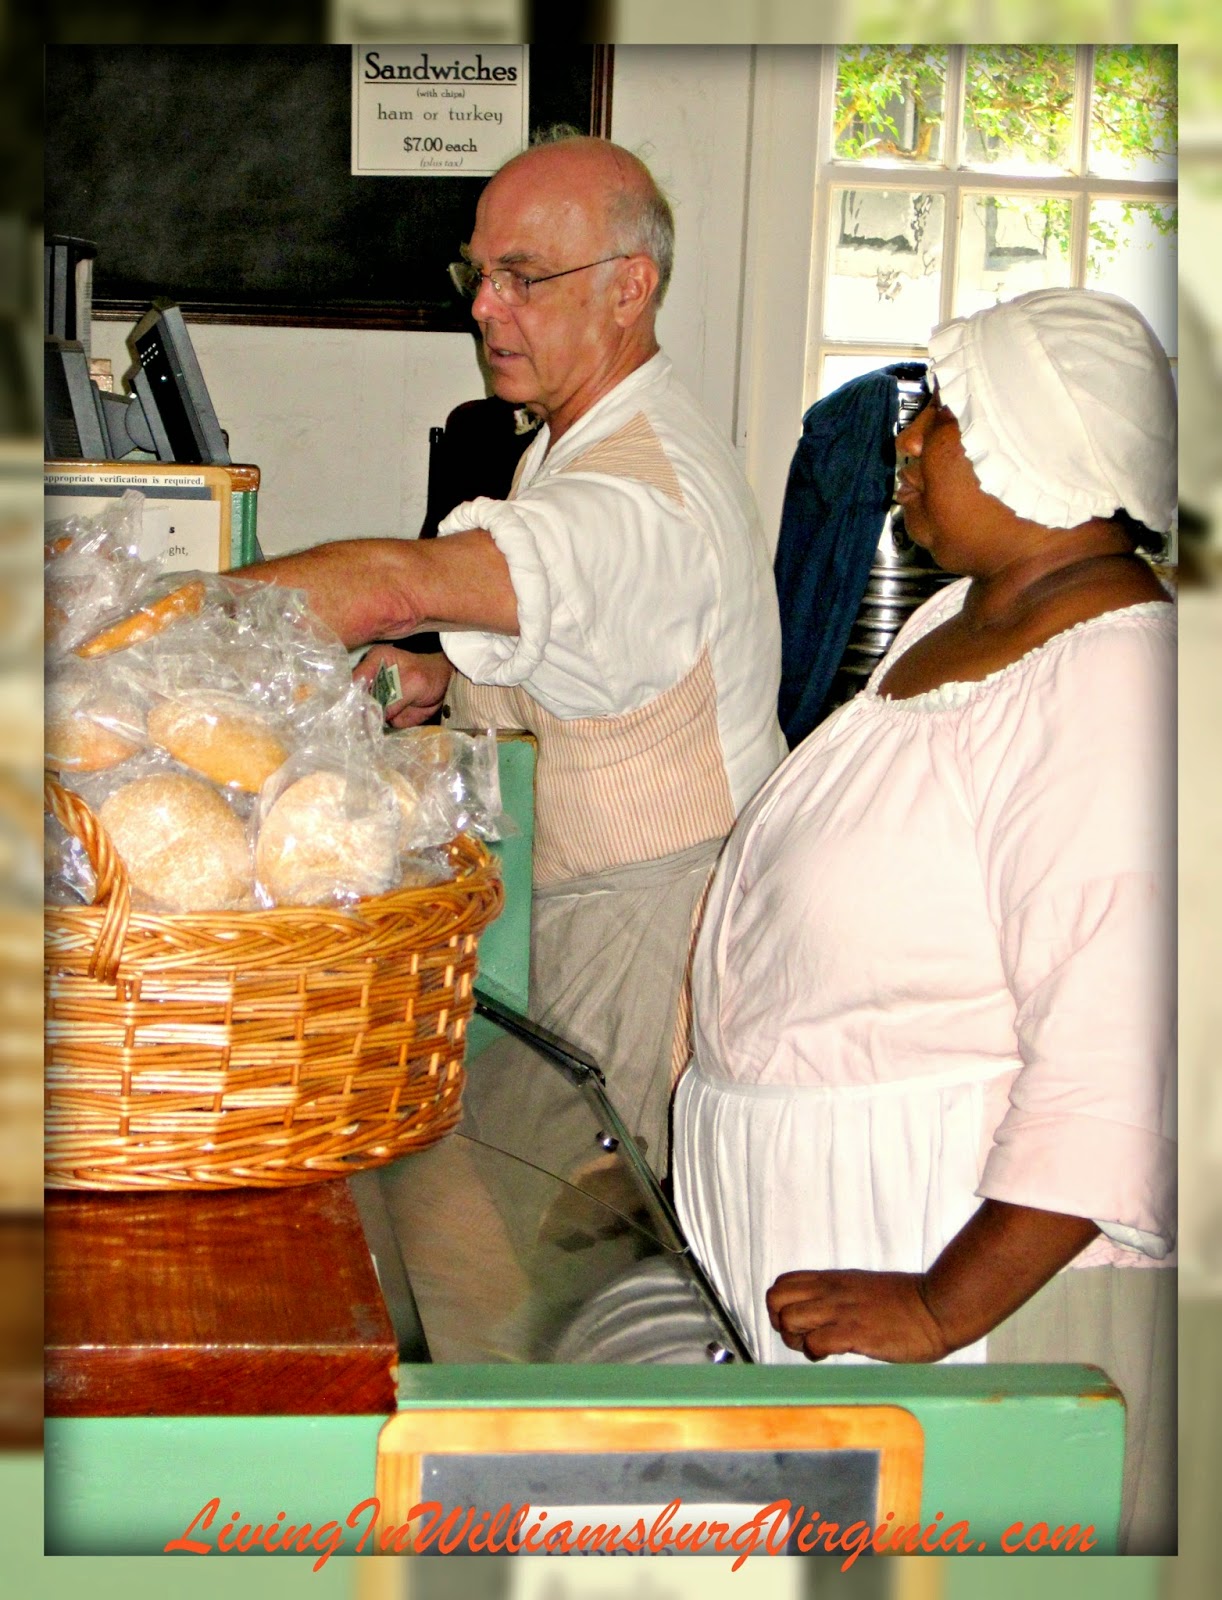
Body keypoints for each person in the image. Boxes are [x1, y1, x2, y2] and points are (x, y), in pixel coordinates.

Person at [672, 287, 1176, 1553]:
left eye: (943, 413)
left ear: (1035, 443)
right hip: (838, 1235)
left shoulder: (1116, 672)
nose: (907, 442)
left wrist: (948, 1303)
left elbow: (1123, 1041)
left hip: (960, 1268)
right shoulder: (966, 616)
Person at [248, 133, 786, 1172]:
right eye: (477, 273)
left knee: (590, 1243)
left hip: (648, 942)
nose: (484, 307)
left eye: (522, 278)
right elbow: (601, 651)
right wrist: (446, 676)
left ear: (630, 288)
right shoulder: (579, 430)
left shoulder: (637, 495)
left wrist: (161, 622)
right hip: (607, 907)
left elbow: (397, 583)